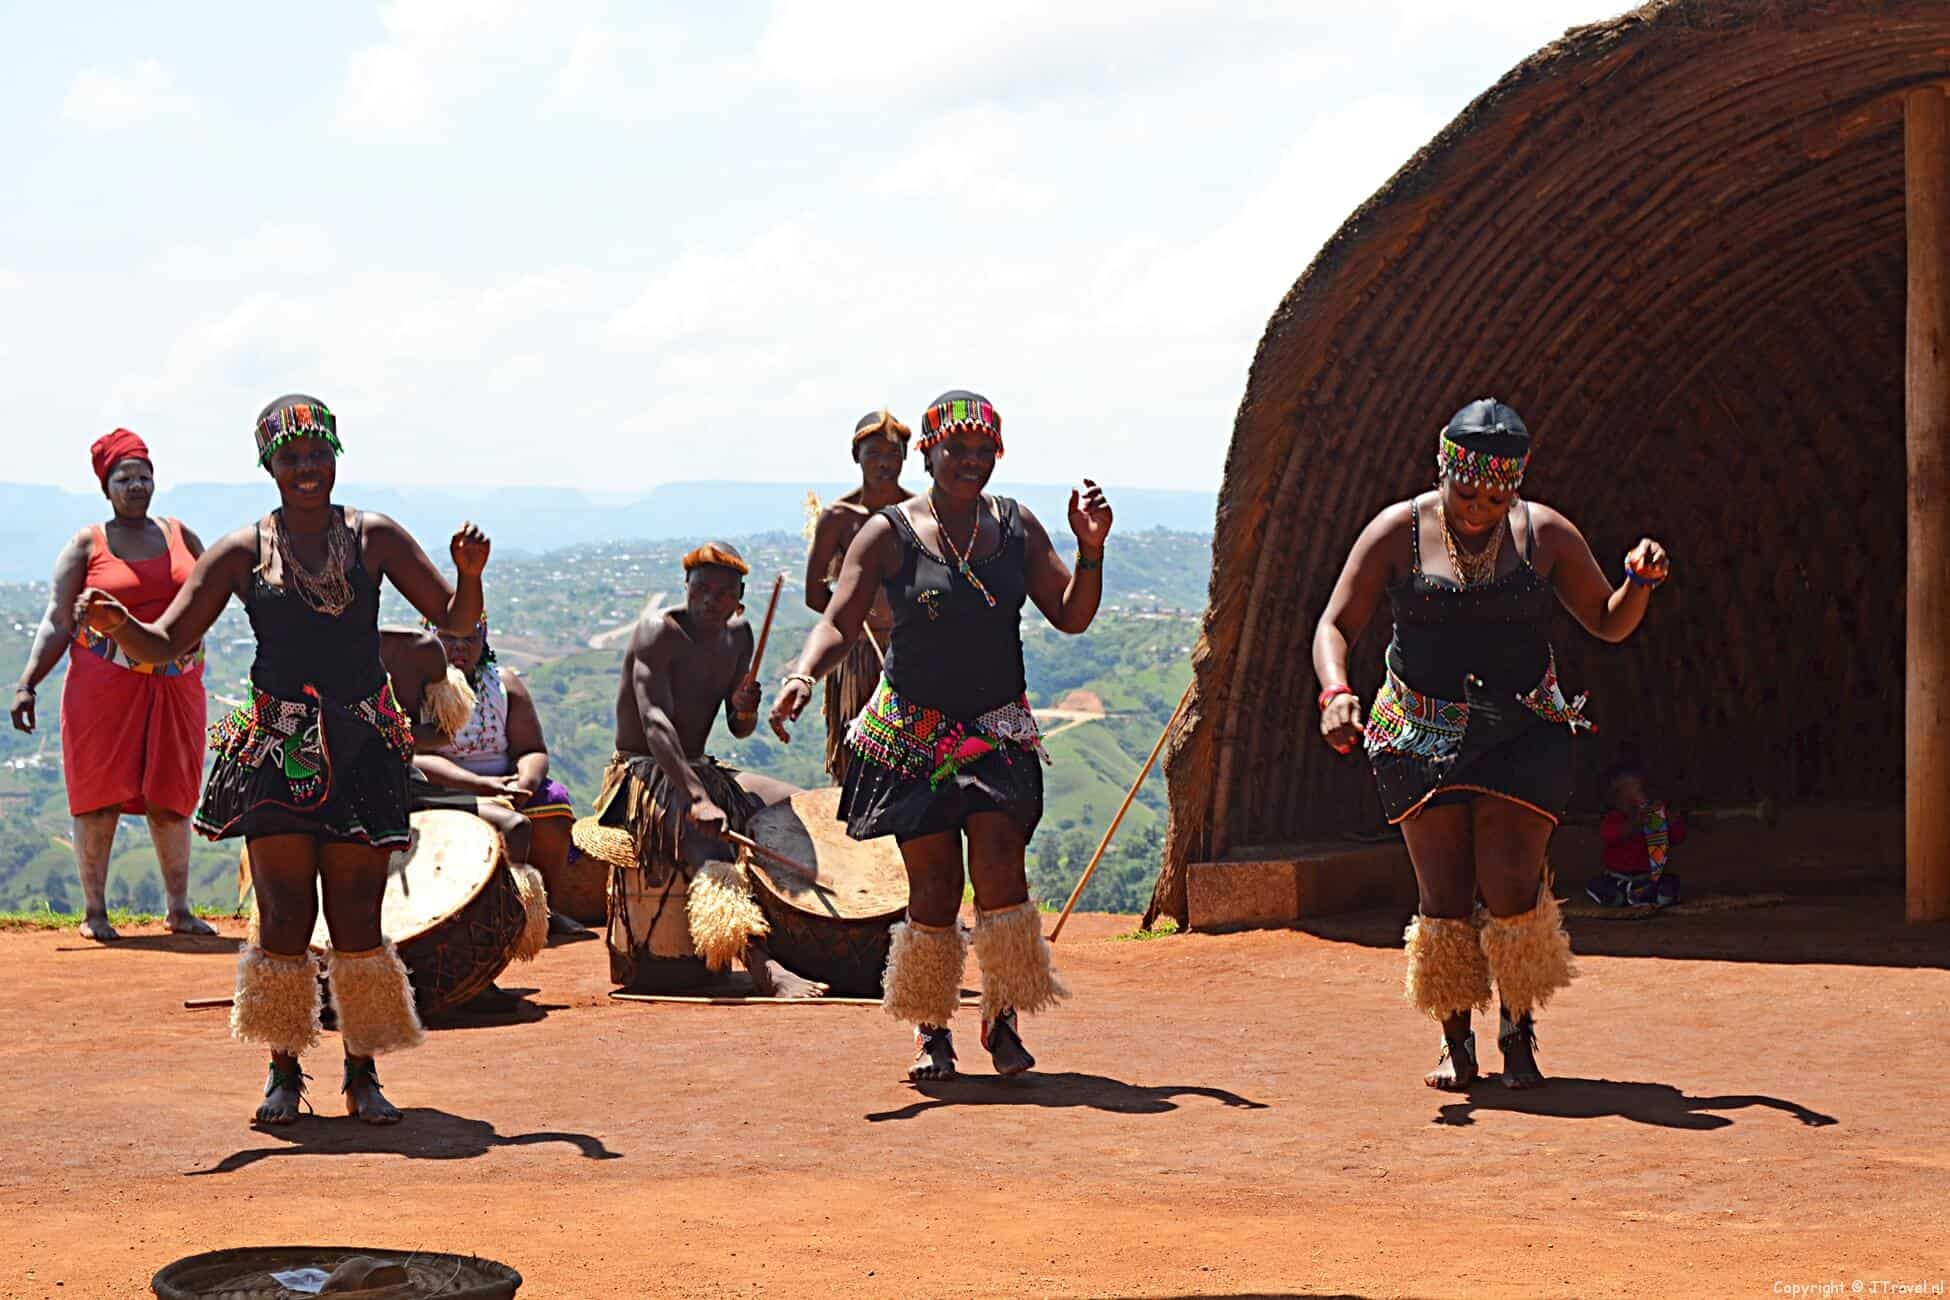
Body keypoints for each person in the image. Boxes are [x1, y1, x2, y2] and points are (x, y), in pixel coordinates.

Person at [74, 394, 489, 1127]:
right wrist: (118, 626)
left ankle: (363, 1072)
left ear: (334, 455)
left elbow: (454, 621)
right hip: (278, 749)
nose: (306, 469)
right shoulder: (240, 551)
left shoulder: (376, 537)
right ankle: (283, 1069)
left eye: (316, 455)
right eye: (290, 458)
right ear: (270, 466)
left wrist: (470, 573)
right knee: (284, 918)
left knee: (358, 919)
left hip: (362, 745)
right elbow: (167, 643)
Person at [1313, 397, 1669, 1091]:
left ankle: (1518, 1029)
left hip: (1522, 731)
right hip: (1418, 733)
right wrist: (1336, 693)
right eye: (1466, 491)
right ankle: (1455, 1040)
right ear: (1443, 471)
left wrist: (1638, 583)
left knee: (1511, 888)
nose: (1478, 509)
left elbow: (1606, 621)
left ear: (1516, 484)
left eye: (1496, 495)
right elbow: (1335, 624)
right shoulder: (1397, 532)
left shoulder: (1546, 535)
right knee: (1442, 897)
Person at [770, 390, 1113, 1081]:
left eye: (984, 451)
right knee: (932, 885)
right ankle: (932, 1030)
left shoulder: (1016, 528)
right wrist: (804, 675)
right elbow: (839, 618)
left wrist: (1091, 551)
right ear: (928, 453)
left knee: (999, 866)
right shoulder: (888, 532)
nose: (971, 462)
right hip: (911, 733)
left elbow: (1070, 615)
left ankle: (1004, 1014)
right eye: (957, 450)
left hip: (995, 730)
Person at [576, 541, 828, 998]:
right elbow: (654, 723)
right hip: (644, 772)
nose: (711, 600)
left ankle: (821, 940)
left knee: (799, 807)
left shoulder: (740, 635)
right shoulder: (659, 632)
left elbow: (738, 729)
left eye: (723, 592)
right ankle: (764, 967)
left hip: (698, 767)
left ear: (740, 597)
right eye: (702, 589)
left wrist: (744, 708)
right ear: (686, 588)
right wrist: (698, 798)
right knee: (705, 837)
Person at [10, 430, 213, 940]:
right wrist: (28, 682)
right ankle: (95, 913)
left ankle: (179, 909)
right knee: (97, 796)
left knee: (171, 796)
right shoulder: (86, 545)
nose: (137, 485)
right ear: (106, 486)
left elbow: (214, 591)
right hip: (104, 686)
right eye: (125, 477)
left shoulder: (180, 535)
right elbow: (57, 619)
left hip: (176, 683)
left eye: (144, 475)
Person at [408, 614, 585, 938]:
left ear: (484, 640)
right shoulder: (412, 689)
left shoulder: (503, 684)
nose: (460, 647)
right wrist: (477, 785)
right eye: (449, 638)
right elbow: (415, 755)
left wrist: (525, 784)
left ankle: (543, 909)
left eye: (471, 638)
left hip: (505, 782)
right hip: (440, 788)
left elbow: (532, 748)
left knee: (554, 803)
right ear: (431, 641)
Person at [804, 409, 912, 783]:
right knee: (856, 764)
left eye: (893, 454)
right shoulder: (838, 517)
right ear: (856, 457)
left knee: (911, 758)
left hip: (911, 654)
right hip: (853, 656)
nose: (884, 463)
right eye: (873, 453)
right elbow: (814, 593)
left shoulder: (919, 513)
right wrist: (854, 620)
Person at [1585, 761, 1686, 908]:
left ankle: (1643, 895)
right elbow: (1612, 836)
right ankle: (1623, 896)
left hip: (1647, 877)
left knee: (1670, 882)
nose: (1637, 797)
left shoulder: (1655, 818)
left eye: (1640, 791)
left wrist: (1671, 820)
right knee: (1598, 884)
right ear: (1616, 801)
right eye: (1627, 794)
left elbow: (1677, 838)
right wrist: (1636, 823)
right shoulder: (1614, 819)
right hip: (1618, 878)